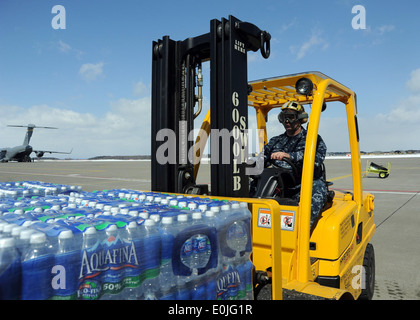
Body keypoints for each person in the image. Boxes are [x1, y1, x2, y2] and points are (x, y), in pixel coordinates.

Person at [262, 101, 328, 227]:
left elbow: (316, 159)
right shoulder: (276, 141)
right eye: (284, 117)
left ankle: (301, 233)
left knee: (318, 189)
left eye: (291, 117)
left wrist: (290, 156)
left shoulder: (313, 139)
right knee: (250, 186)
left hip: (303, 185)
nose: (287, 121)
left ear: (300, 119)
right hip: (280, 184)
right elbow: (262, 158)